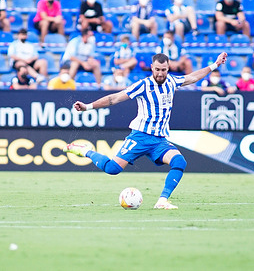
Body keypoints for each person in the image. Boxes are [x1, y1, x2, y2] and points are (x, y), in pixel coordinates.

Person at [63, 52, 228, 210]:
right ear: (152, 68)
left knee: (179, 162)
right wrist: (88, 107)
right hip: (140, 136)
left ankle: (162, 201)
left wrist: (215, 65)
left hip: (159, 140)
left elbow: (193, 77)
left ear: (168, 68)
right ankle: (86, 151)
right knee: (113, 169)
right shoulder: (143, 85)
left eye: (163, 70)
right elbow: (114, 98)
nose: (160, 73)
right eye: (157, 70)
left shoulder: (172, 81)